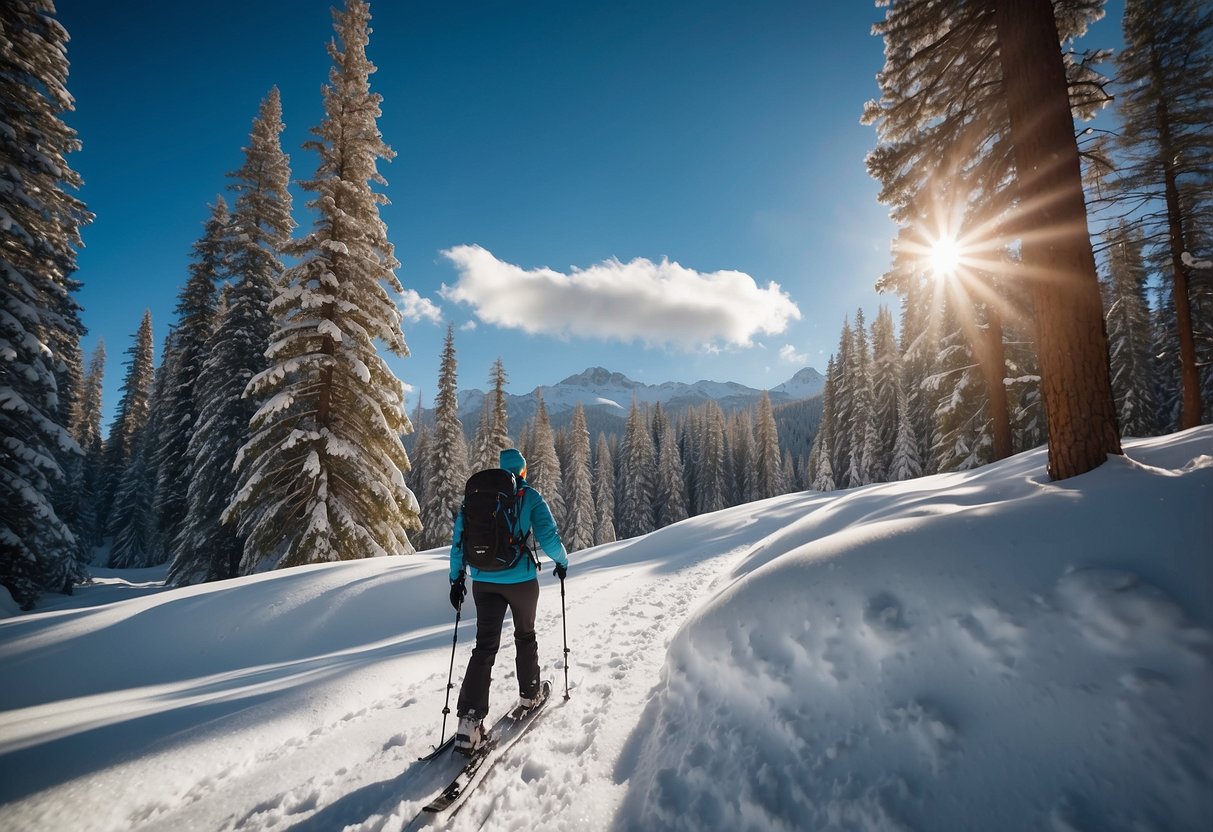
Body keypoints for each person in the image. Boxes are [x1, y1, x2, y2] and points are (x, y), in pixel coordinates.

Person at [448, 448, 569, 754]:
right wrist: (562, 562)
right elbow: (550, 537)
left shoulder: (477, 497)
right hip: (521, 582)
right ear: (523, 472)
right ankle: (529, 695)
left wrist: (456, 578)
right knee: (525, 635)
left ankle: (468, 722)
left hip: (482, 581)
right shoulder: (528, 497)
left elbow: (459, 540)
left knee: (484, 646)